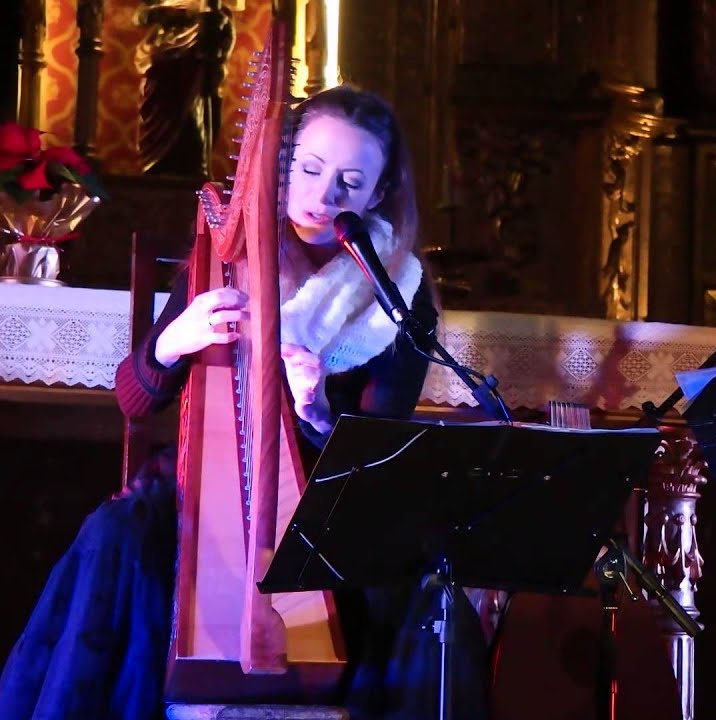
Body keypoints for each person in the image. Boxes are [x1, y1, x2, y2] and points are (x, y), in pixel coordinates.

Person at [0, 86, 490, 720]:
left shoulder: (398, 287)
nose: (323, 196)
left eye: (350, 182)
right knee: (119, 536)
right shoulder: (226, 254)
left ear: (377, 193)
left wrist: (317, 411)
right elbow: (134, 401)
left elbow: (380, 454)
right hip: (200, 496)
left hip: (329, 514)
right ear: (282, 166)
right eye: (309, 169)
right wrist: (175, 340)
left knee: (418, 590)